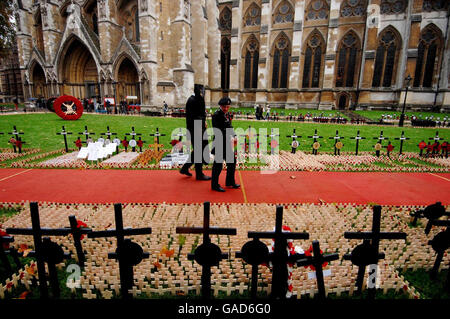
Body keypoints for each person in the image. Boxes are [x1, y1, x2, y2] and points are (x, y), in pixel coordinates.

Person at [179, 84, 211, 180]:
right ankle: (199, 174)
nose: (202, 93)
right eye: (201, 91)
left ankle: (185, 168)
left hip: (196, 127)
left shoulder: (192, 99)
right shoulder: (196, 100)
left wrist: (204, 121)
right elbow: (197, 116)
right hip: (196, 128)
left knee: (198, 150)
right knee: (198, 151)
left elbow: (200, 114)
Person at [211, 97, 240, 192]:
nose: (226, 108)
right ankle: (214, 185)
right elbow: (218, 130)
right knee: (218, 165)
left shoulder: (225, 115)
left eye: (228, 106)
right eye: (224, 107)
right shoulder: (216, 115)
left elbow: (229, 127)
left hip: (227, 143)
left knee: (232, 162)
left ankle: (230, 181)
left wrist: (234, 136)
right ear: (220, 106)